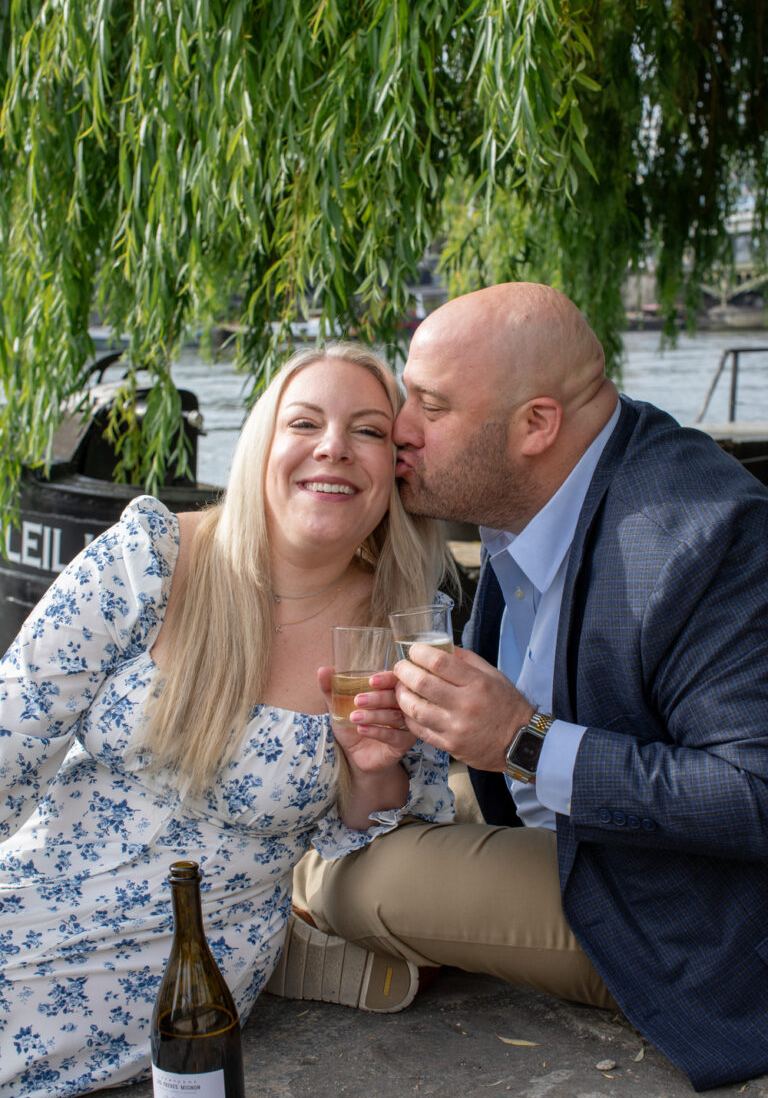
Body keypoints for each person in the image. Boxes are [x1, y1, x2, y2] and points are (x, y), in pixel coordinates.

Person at [283, 283, 768, 1093]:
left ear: (537, 424)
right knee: (338, 803)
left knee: (357, 876)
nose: (396, 430)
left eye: (429, 408)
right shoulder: (534, 488)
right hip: (574, 828)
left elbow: (755, 794)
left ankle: (301, 934)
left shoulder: (702, 535)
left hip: (694, 914)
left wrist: (522, 740)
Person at [0, 342, 456, 1097]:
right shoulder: (151, 559)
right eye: (304, 421)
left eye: (369, 430)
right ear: (261, 446)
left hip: (178, 962)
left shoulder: (402, 625)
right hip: (35, 882)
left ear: (394, 468)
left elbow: (395, 840)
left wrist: (373, 766)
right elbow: (15, 724)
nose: (334, 446)